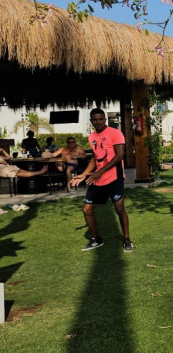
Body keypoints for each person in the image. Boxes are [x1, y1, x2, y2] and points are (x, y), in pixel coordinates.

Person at [70, 108, 133, 252]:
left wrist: (100, 172)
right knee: (86, 209)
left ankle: (127, 239)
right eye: (95, 119)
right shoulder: (91, 137)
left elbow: (119, 156)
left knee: (119, 208)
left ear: (105, 119)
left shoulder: (115, 133)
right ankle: (97, 239)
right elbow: (95, 156)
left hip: (115, 177)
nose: (98, 122)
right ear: (91, 121)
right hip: (98, 179)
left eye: (101, 119)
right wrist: (84, 174)